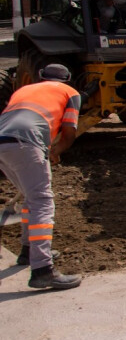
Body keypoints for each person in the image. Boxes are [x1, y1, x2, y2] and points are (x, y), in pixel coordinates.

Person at [0, 64, 82, 290]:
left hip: (3, 141)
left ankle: (28, 252)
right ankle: (43, 269)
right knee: (42, 201)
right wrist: (55, 151)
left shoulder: (23, 91)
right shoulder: (70, 93)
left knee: (30, 197)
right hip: (26, 141)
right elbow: (69, 131)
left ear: (40, 77)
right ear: (67, 80)